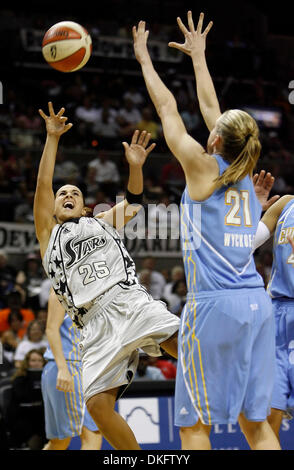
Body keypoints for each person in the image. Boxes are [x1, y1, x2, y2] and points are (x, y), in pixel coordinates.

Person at [133, 12, 280, 450]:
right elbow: (214, 110)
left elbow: (167, 108)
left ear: (216, 140)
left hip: (214, 307)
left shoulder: (201, 166)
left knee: (194, 424)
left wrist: (144, 58)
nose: (210, 125)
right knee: (255, 422)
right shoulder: (244, 164)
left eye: (215, 128)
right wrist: (199, 57)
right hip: (256, 301)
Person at [33, 102, 179, 450]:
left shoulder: (100, 222)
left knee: (183, 344)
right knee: (97, 406)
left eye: (75, 193)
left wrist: (136, 168)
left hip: (125, 299)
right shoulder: (47, 236)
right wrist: (52, 138)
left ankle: (226, 382)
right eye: (62, 193)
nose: (66, 195)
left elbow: (134, 201)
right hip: (93, 326)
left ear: (86, 207)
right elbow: (43, 183)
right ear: (52, 208)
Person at [253, 194, 294, 445]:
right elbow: (241, 246)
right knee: (269, 416)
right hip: (276, 316)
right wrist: (251, 211)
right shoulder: (285, 203)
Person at [42, 288, 102, 450]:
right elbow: (51, 329)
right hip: (68, 366)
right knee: (92, 435)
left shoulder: (90, 291)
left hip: (61, 367)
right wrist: (63, 369)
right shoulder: (61, 290)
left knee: (59, 442)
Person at [6, 349, 46, 449]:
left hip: (42, 415)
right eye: (33, 360)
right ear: (27, 362)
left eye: (40, 360)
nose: (36, 363)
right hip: (23, 416)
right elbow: (24, 397)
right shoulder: (19, 379)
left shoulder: (48, 378)